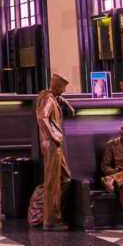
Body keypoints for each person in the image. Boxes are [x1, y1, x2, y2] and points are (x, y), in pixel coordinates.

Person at [31, 73, 74, 230]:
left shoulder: (52, 98)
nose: (64, 90)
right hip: (51, 145)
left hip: (54, 144)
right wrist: (54, 135)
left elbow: (71, 112)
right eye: (62, 88)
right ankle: (50, 220)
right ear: (57, 86)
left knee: (65, 178)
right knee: (52, 182)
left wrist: (63, 101)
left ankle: (46, 211)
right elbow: (42, 118)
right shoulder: (48, 99)